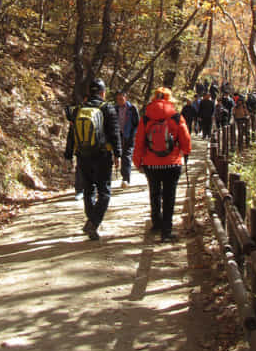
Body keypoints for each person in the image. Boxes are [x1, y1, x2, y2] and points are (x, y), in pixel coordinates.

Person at [65, 78, 121, 240]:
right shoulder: (107, 108)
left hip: (83, 156)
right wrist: (117, 154)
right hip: (102, 156)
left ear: (89, 93)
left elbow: (71, 135)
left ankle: (91, 222)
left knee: (89, 190)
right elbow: (114, 133)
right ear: (103, 92)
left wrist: (68, 155)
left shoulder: (78, 109)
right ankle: (93, 223)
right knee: (104, 192)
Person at [133, 87, 191, 242]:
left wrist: (137, 161)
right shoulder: (176, 116)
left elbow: (139, 141)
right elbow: (185, 137)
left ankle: (156, 223)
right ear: (169, 98)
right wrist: (186, 152)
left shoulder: (146, 117)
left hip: (151, 164)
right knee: (169, 196)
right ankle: (167, 230)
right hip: (172, 164)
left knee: (154, 193)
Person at [115, 90, 139, 187]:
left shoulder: (132, 109)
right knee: (120, 155)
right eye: (118, 99)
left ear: (126, 98)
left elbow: (137, 123)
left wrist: (133, 135)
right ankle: (123, 175)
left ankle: (126, 179)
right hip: (118, 136)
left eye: (121, 99)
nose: (119, 101)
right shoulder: (115, 109)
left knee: (127, 157)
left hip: (129, 136)